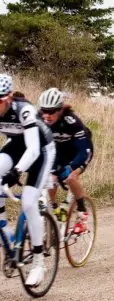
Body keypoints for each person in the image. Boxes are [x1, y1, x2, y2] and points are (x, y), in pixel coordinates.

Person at [0, 75, 55, 286]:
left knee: (29, 202)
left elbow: (32, 149)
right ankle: (5, 230)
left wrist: (17, 171)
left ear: (9, 98)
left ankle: (39, 262)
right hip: (16, 146)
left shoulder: (24, 110)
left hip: (41, 150)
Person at [38, 88, 94, 233]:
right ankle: (53, 210)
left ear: (60, 109)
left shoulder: (72, 121)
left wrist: (70, 168)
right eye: (44, 110)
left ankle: (82, 213)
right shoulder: (40, 117)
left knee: (70, 177)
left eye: (52, 111)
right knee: (52, 177)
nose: (47, 115)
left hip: (79, 151)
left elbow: (84, 151)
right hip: (59, 151)